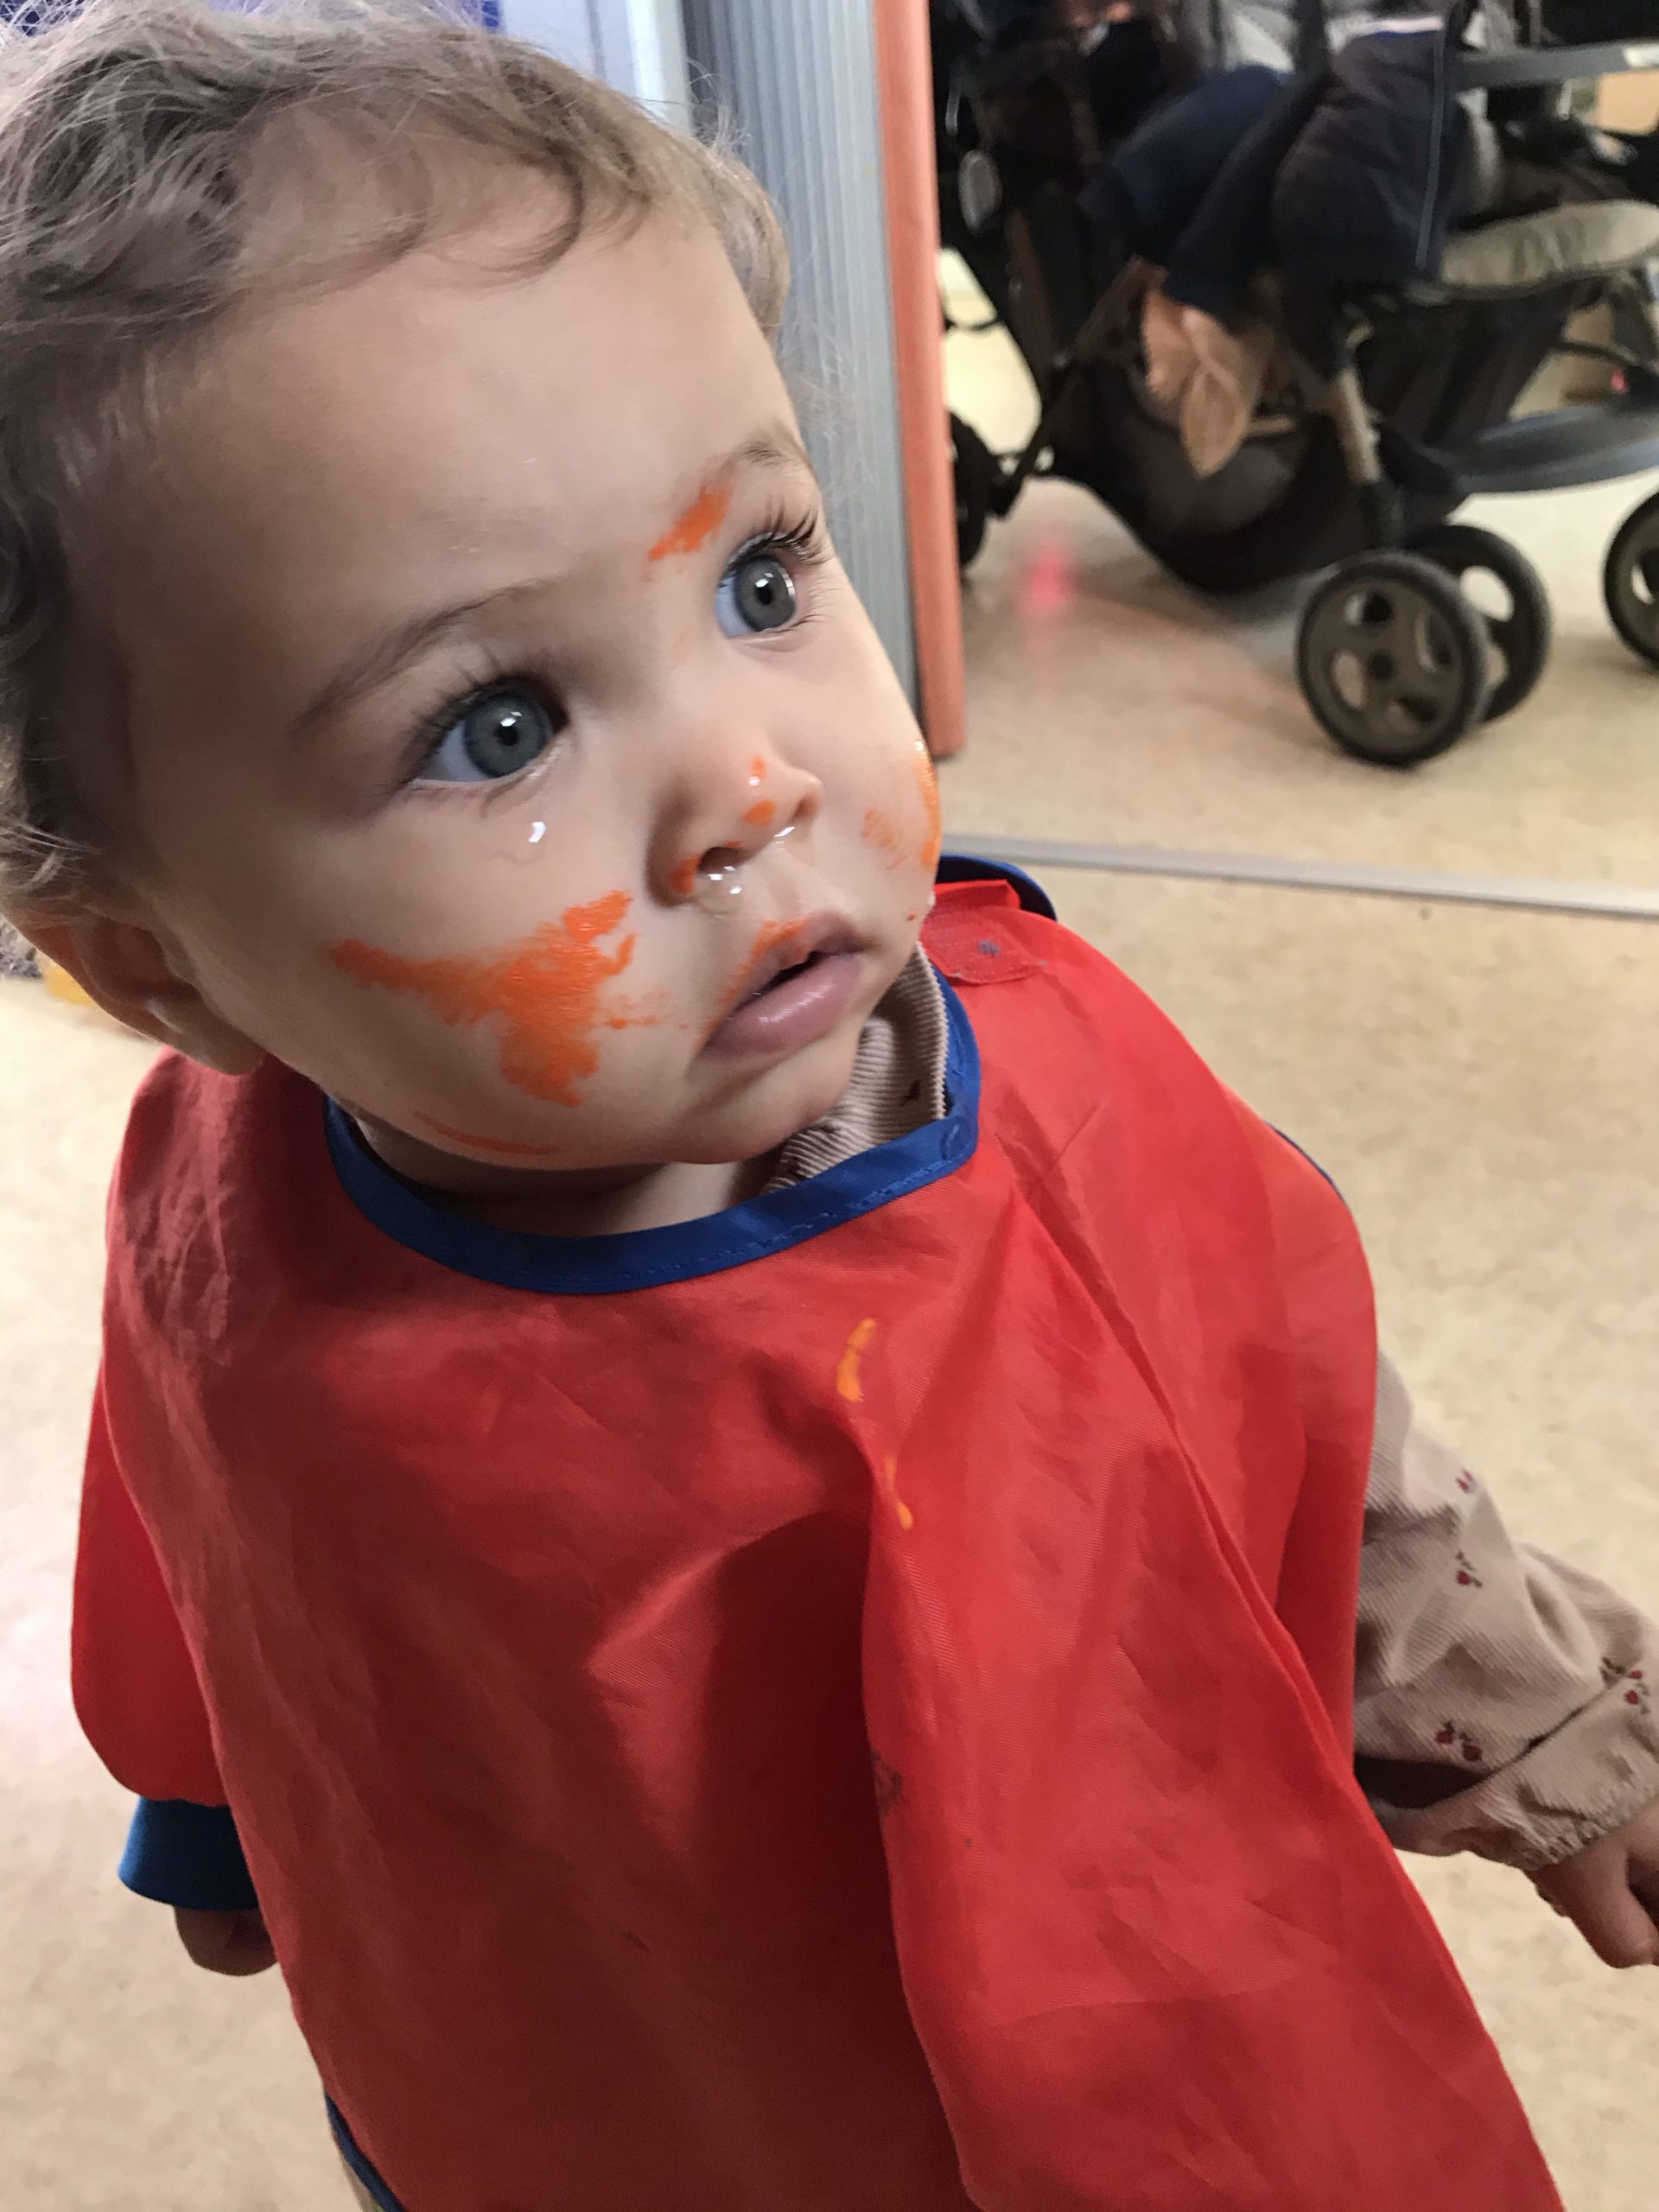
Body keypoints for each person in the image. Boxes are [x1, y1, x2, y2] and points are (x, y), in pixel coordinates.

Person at [2, 4, 1656, 2209]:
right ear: (166, 968)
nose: (753, 785)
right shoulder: (216, 1202)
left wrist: (1553, 1725)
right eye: (497, 725)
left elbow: (1316, 1433)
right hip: (563, 2080)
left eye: (762, 576)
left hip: (1080, 2094)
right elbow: (217, 1524)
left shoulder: (1048, 1120)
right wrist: (224, 1802)